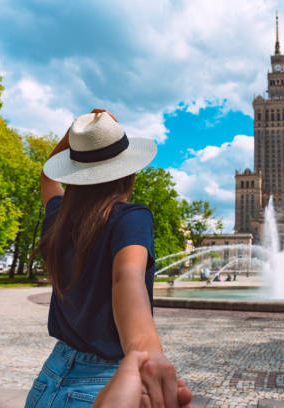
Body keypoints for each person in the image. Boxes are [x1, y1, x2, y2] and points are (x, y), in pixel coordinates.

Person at [25, 109, 191, 408]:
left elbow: (47, 178)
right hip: (100, 384)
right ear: (129, 172)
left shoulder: (58, 217)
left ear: (74, 172)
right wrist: (145, 351)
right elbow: (126, 276)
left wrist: (79, 133)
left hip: (49, 378)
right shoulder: (130, 217)